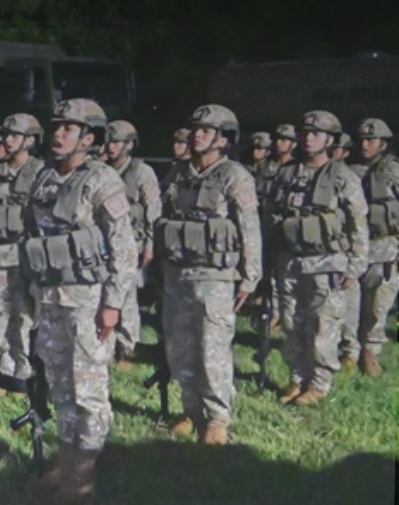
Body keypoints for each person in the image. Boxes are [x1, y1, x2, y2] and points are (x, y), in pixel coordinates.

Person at [20, 98, 136, 498]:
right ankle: (67, 459)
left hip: (88, 300)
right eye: (56, 126)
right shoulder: (44, 177)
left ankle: (83, 472)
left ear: (88, 137)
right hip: (50, 297)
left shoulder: (102, 180)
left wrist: (113, 304)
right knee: (59, 384)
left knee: (87, 388)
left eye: (68, 128)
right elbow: (31, 236)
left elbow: (123, 246)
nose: (58, 134)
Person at [157, 104, 262, 444]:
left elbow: (249, 228)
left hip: (215, 275)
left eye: (205, 130)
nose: (196, 135)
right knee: (180, 346)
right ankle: (191, 409)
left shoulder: (234, 176)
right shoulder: (179, 173)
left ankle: (217, 419)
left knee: (211, 346)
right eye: (194, 129)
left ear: (223, 139)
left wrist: (250, 277)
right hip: (177, 272)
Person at [264, 111, 368, 406]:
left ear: (330, 139)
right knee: (291, 321)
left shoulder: (342, 177)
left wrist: (356, 265)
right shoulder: (286, 174)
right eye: (305, 133)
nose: (308, 138)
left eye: (316, 133)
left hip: (327, 261)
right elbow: (270, 216)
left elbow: (358, 223)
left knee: (324, 324)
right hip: (290, 259)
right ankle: (297, 378)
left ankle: (319, 383)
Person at [0, 114, 43, 392]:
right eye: (6, 135)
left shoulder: (41, 173)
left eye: (15, 135)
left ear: (30, 140)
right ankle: (6, 372)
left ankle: (27, 375)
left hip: (26, 254)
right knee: (0, 312)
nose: (7, 140)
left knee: (26, 315)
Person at [339, 118, 399, 377]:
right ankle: (349, 351)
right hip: (352, 248)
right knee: (349, 305)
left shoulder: (394, 171)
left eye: (371, 140)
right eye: (362, 139)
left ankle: (371, 351)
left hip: (386, 247)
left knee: (378, 304)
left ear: (383, 144)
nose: (365, 144)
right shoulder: (346, 172)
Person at [103, 120, 162, 370]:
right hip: (104, 243)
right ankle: (107, 347)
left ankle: (127, 348)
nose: (111, 146)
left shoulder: (141, 172)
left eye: (116, 142)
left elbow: (152, 210)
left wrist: (150, 245)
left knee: (127, 297)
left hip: (132, 244)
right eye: (108, 141)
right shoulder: (101, 169)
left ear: (129, 145)